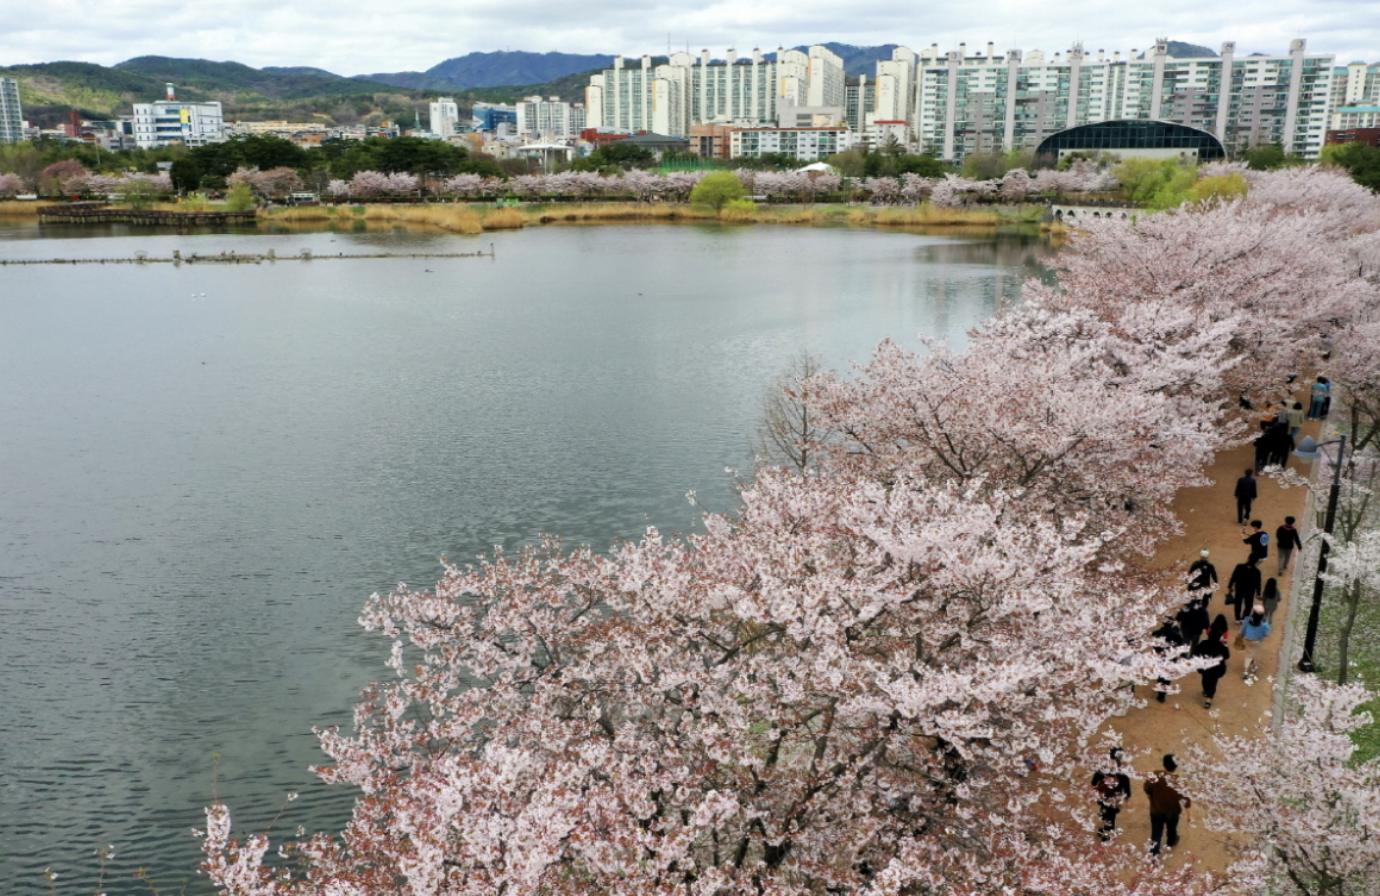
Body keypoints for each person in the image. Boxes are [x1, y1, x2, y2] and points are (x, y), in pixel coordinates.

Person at [1144, 754, 1192, 855]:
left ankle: (1153, 854)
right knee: (1172, 829)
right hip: (1173, 812)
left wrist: (1151, 799)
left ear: (1164, 764)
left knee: (1156, 833)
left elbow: (1147, 788)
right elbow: (1186, 801)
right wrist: (1190, 815)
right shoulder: (1180, 782)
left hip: (1156, 811)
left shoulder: (1156, 775)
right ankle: (1171, 842)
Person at [1091, 748, 1132, 842]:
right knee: (1111, 818)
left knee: (1105, 813)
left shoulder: (1104, 769)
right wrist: (1124, 799)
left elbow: (1094, 782)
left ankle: (1103, 830)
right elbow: (1127, 791)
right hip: (1114, 800)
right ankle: (1107, 836)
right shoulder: (1122, 774)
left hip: (1102, 796)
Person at [1192, 615, 1231, 708]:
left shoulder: (1203, 643)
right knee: (1213, 683)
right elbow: (1227, 656)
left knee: (1205, 680)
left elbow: (1196, 653)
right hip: (1217, 667)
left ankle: (1205, 690)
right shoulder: (1221, 646)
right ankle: (1208, 700)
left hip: (1205, 666)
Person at [1150, 618, 1185, 703]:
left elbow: (1152, 643)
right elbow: (1181, 646)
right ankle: (1162, 694)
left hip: (1160, 656)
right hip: (1171, 657)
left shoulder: (1156, 633)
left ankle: (1160, 684)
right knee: (1168, 675)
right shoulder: (1177, 635)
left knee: (1160, 672)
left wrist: (1157, 649)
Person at [1240, 605, 1272, 680]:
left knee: (1250, 654)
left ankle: (1246, 670)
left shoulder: (1247, 619)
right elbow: (1267, 633)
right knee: (1255, 654)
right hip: (1257, 641)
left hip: (1247, 639)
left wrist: (1241, 636)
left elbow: (1243, 629)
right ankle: (1253, 667)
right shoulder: (1264, 624)